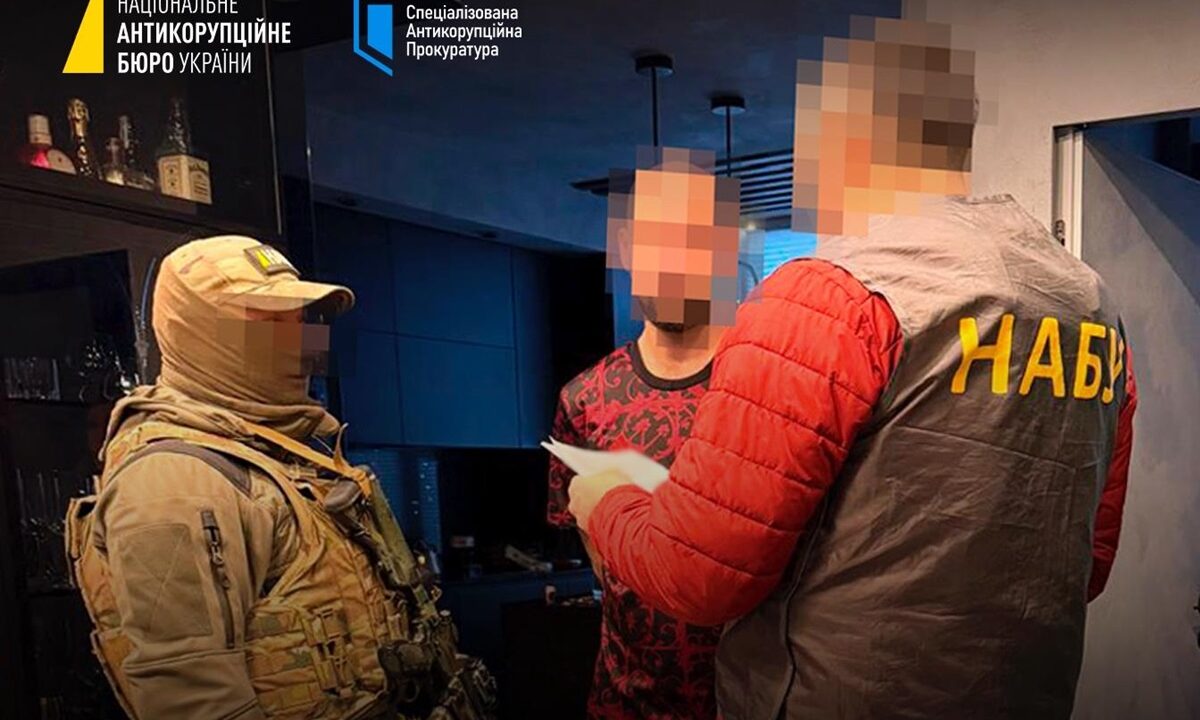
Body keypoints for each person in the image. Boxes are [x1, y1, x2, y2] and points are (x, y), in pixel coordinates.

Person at [568, 16, 1138, 720]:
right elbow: (1085, 568)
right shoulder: (1092, 310)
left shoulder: (829, 296)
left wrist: (606, 504)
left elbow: (699, 574)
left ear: (842, 142)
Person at [65, 236, 495, 720]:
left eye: (301, 320)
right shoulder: (174, 483)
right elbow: (195, 700)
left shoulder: (275, 450)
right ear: (204, 335)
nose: (301, 343)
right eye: (269, 323)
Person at [546, 147, 742, 719]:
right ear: (627, 247)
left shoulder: (763, 384)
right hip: (626, 704)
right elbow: (604, 567)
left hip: (750, 700)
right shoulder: (584, 401)